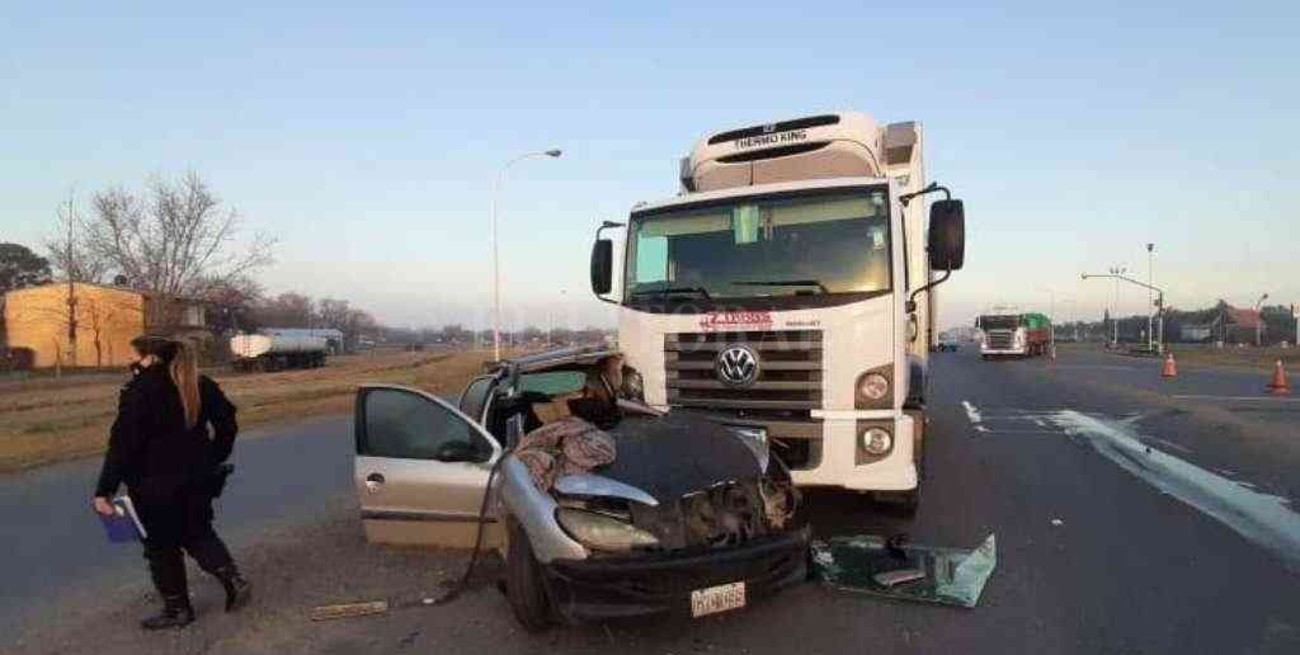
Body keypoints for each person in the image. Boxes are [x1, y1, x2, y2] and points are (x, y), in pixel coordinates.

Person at [92, 335, 250, 630]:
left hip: (153, 486)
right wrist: (212, 457)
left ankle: (178, 609)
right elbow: (228, 423)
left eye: (138, 356)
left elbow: (122, 445)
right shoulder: (198, 383)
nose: (135, 362)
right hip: (197, 480)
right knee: (197, 532)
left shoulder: (141, 391)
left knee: (160, 547)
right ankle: (233, 578)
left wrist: (104, 490)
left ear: (151, 357)